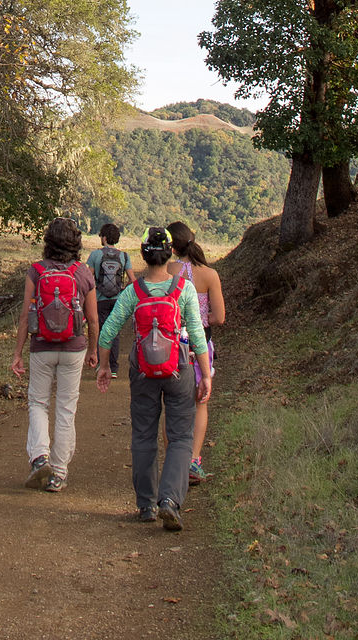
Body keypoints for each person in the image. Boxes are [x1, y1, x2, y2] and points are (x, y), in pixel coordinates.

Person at [96, 226, 211, 531]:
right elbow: (198, 335)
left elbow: (108, 332)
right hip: (179, 370)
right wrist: (206, 373)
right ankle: (170, 501)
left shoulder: (134, 292)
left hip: (143, 372)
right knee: (181, 437)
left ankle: (146, 504)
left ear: (144, 255)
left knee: (144, 435)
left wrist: (104, 367)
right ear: (171, 253)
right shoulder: (183, 288)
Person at [12, 216, 99, 492]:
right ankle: (58, 473)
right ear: (75, 243)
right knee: (65, 408)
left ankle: (39, 458)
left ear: (48, 242)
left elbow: (26, 316)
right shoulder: (83, 272)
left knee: (38, 402)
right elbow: (93, 319)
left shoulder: (36, 271)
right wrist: (94, 350)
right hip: (74, 348)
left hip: (42, 347)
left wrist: (17, 353)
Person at [167, 220, 225, 484]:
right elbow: (220, 317)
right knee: (201, 401)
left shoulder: (168, 270)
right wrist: (202, 319)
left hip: (171, 345)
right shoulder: (209, 275)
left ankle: (174, 460)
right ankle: (194, 460)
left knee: (173, 402)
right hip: (201, 345)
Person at [86, 223, 134, 378]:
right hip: (117, 300)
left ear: (104, 237)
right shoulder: (124, 256)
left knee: (100, 331)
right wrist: (123, 290)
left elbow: (88, 278)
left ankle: (101, 365)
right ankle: (112, 368)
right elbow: (133, 280)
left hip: (98, 300)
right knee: (115, 333)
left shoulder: (95, 255)